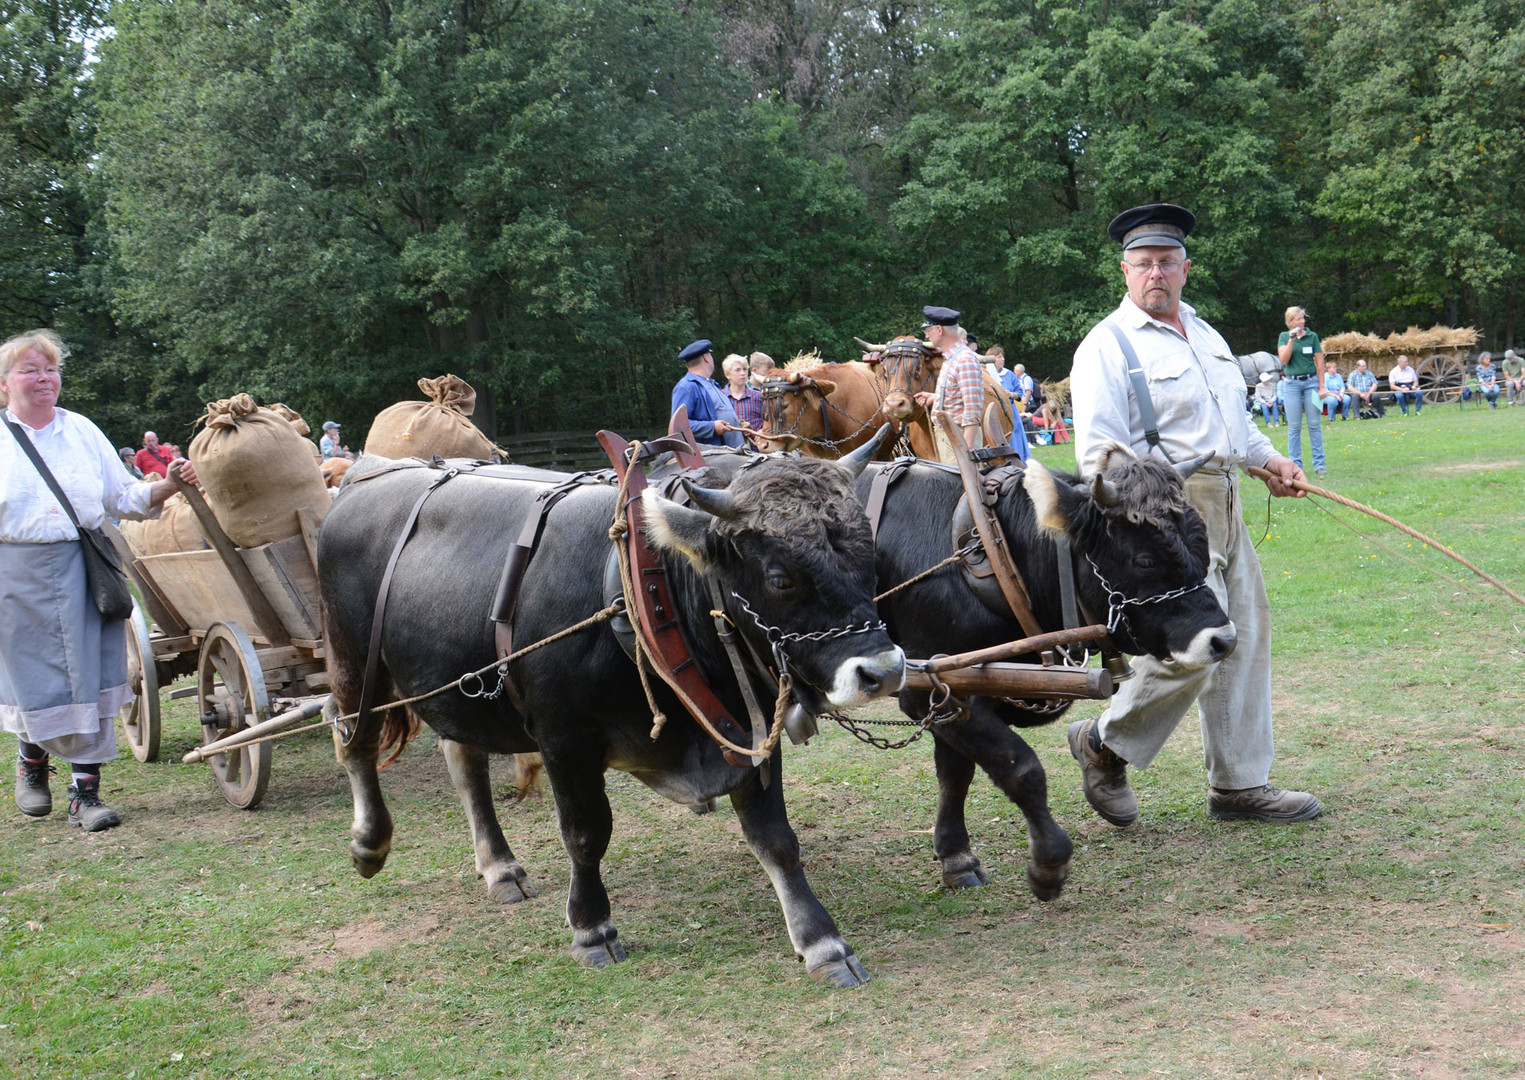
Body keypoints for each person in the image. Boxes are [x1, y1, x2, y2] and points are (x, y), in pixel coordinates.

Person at [1067, 203, 1320, 826]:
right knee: (1193, 644)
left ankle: (1238, 787)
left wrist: (1270, 461)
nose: (1157, 273)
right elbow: (1098, 451)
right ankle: (1103, 742)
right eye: (1144, 264)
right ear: (1125, 272)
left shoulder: (1207, 336)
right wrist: (1153, 515)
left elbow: (1233, 424)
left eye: (1167, 263)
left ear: (1185, 269)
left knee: (1245, 637)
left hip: (1227, 495)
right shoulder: (1106, 345)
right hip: (1165, 513)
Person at [1, 329, 199, 831]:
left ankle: (84, 796)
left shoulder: (82, 431)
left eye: (50, 369)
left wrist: (168, 486)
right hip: (14, 573)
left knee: (89, 676)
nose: (43, 378)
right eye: (29, 369)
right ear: (5, 383)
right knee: (32, 679)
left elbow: (122, 497)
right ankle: (32, 762)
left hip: (84, 568)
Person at [914, 305, 984, 461]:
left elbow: (972, 408)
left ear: (939, 330)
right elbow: (957, 396)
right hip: (949, 436)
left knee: (961, 485)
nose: (926, 336)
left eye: (928, 331)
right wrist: (934, 397)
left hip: (959, 438)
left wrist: (966, 450)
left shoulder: (964, 359)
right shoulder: (951, 358)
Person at [1276, 306, 1326, 475]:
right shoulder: (1284, 336)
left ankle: (1320, 464)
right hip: (1291, 385)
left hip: (1311, 383)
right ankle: (1295, 464)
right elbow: (1284, 360)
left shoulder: (1313, 336)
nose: (1302, 322)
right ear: (1290, 322)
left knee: (1314, 425)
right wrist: (1291, 340)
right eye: (1298, 319)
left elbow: (1320, 363)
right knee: (1294, 427)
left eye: (1303, 318)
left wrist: (1322, 386)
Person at [670, 339, 744, 448]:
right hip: (714, 458)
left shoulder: (712, 384)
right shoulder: (686, 387)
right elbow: (678, 426)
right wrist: (712, 427)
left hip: (732, 454)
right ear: (706, 357)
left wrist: (740, 425)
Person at [985, 345, 1031, 460]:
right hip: (995, 413)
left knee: (1015, 436)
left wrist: (1010, 394)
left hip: (1011, 412)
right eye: (999, 357)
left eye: (1003, 357)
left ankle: (1020, 461)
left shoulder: (1009, 374)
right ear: (992, 359)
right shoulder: (986, 375)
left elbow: (1020, 393)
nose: (1003, 359)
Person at [720, 353, 764, 443]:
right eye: (738, 370)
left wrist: (762, 431)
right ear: (727, 374)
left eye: (745, 369)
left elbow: (771, 423)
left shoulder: (759, 396)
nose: (743, 373)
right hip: (729, 452)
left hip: (757, 451)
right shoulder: (720, 398)